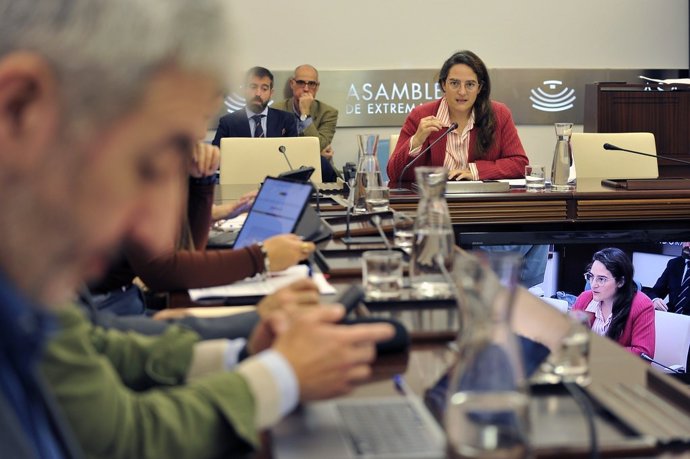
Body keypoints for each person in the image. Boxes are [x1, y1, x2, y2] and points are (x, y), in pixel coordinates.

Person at [0, 1, 395, 457]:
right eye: (148, 166)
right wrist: (278, 377)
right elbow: (120, 438)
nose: (156, 228)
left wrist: (241, 354)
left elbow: (97, 347)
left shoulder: (31, 288)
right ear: (18, 109)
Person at [89, 140, 315, 315]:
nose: (200, 134)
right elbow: (161, 270)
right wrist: (261, 257)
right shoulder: (130, 162)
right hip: (103, 309)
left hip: (128, 299)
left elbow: (188, 252)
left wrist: (203, 182)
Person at [387, 50, 528, 183]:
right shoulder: (421, 116)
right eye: (454, 83)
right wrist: (416, 140)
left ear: (479, 88)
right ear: (443, 85)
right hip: (435, 200)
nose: (462, 92)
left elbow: (520, 164)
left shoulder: (499, 114)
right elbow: (393, 174)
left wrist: (476, 171)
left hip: (483, 203)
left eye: (470, 84)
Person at [571, 248, 655, 357]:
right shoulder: (584, 299)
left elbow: (643, 354)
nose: (593, 285)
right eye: (591, 277)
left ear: (620, 282)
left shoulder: (642, 305)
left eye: (601, 279)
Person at [272, 64, 340, 182]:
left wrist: (305, 114)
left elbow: (320, 145)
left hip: (319, 171)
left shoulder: (328, 112)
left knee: (323, 164)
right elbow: (274, 148)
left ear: (317, 87)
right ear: (292, 84)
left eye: (311, 84)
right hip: (283, 169)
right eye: (301, 83)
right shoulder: (276, 110)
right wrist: (314, 153)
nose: (306, 89)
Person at [211, 66, 297, 144]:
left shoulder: (286, 120)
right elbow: (217, 157)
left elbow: (294, 154)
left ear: (271, 93)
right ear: (244, 90)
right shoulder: (228, 123)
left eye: (264, 89)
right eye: (253, 87)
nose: (258, 93)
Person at [646, 242, 690, 314]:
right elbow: (655, 292)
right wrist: (655, 300)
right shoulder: (674, 263)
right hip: (671, 317)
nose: (687, 245)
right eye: (686, 241)